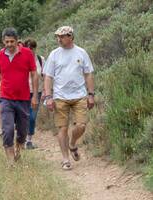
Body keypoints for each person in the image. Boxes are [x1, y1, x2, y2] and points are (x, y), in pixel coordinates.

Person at [43, 26, 95, 170]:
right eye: (57, 37)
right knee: (62, 128)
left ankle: (72, 143)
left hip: (79, 95)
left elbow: (88, 74)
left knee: (81, 126)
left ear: (71, 37)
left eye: (62, 36)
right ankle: (65, 159)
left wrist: (91, 94)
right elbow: (48, 76)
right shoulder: (54, 54)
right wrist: (48, 96)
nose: (59, 39)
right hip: (60, 96)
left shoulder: (81, 52)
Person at [0, 27, 39, 165]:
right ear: (3, 41)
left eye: (12, 41)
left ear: (17, 40)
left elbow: (34, 74)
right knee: (8, 129)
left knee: (22, 131)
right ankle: (10, 160)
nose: (9, 44)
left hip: (23, 98)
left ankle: (18, 148)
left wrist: (35, 95)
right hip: (6, 97)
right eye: (7, 41)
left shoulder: (27, 53)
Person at [24, 38, 45, 149]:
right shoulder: (21, 59)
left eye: (32, 47)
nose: (30, 50)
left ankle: (29, 140)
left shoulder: (40, 59)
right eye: (27, 47)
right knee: (23, 116)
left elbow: (45, 75)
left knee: (32, 117)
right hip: (23, 92)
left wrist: (46, 91)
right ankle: (21, 137)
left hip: (37, 92)